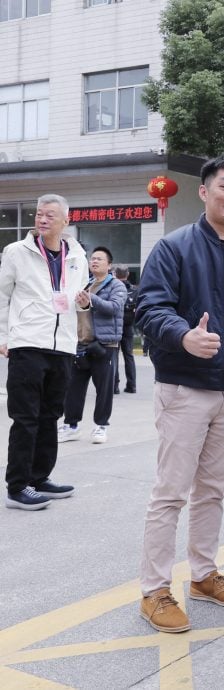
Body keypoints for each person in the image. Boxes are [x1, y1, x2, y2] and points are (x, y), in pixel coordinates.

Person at [135, 154, 224, 633]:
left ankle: (204, 574)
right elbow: (148, 307)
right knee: (170, 493)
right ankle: (154, 590)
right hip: (184, 388)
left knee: (212, 490)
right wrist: (183, 336)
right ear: (204, 192)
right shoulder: (174, 248)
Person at [1, 194, 89, 510]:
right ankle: (17, 487)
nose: (42, 219)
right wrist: (3, 336)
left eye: (50, 215)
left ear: (66, 219)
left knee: (51, 415)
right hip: (26, 343)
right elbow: (1, 295)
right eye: (39, 214)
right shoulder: (16, 252)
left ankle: (40, 478)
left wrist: (85, 302)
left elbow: (79, 297)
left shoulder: (77, 254)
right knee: (25, 417)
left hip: (62, 346)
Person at [57, 247, 126, 445]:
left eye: (99, 259)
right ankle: (71, 426)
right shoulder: (84, 283)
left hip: (105, 344)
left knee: (104, 389)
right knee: (73, 388)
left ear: (109, 265)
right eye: (92, 259)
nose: (94, 262)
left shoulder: (116, 286)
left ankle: (101, 426)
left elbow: (113, 308)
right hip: (80, 344)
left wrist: (91, 298)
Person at [113, 265, 137, 394]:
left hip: (116, 326)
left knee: (114, 355)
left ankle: (114, 386)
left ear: (115, 274)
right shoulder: (134, 290)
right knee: (129, 356)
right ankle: (132, 385)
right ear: (127, 274)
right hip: (128, 327)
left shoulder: (113, 288)